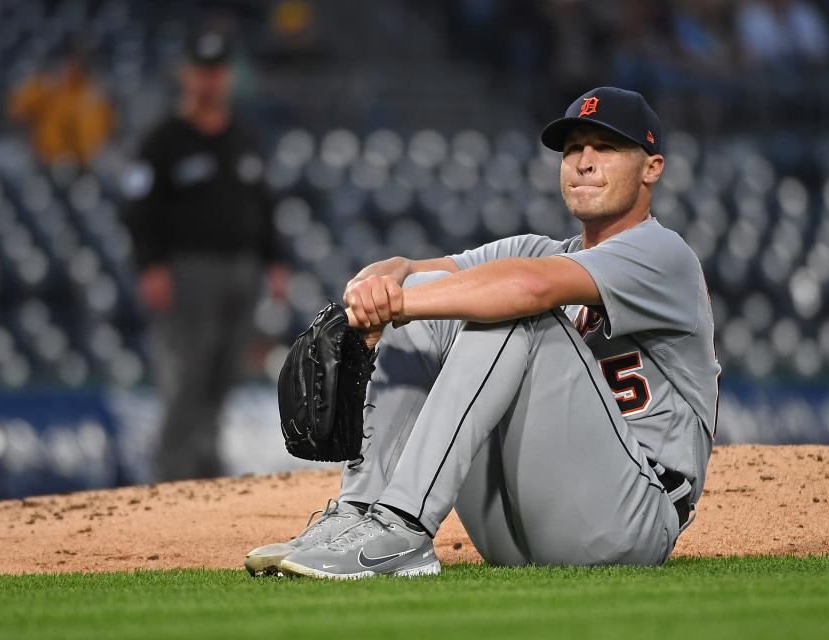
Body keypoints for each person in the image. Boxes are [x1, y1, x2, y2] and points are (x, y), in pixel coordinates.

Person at [245, 87, 719, 578]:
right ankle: (356, 516)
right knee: (439, 295)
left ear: (652, 167)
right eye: (574, 148)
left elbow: (528, 288)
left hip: (633, 517)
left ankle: (403, 525)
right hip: (521, 522)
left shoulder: (664, 255)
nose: (584, 161)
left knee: (511, 310)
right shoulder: (543, 249)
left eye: (606, 147)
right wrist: (381, 279)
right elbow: (412, 274)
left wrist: (400, 304)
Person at [121, 30, 285, 481]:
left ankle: (207, 477)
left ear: (228, 77)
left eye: (217, 71)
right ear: (187, 75)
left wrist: (274, 261)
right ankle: (171, 476)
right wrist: (150, 265)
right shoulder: (164, 140)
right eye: (202, 71)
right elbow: (137, 209)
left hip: (241, 271)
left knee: (223, 377)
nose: (210, 81)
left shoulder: (245, 137)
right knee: (185, 380)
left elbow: (264, 204)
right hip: (186, 273)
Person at [9, 47, 114, 166]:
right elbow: (17, 111)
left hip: (84, 162)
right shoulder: (48, 85)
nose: (75, 66)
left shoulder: (93, 94)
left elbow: (104, 132)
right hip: (46, 157)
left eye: (80, 62)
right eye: (72, 61)